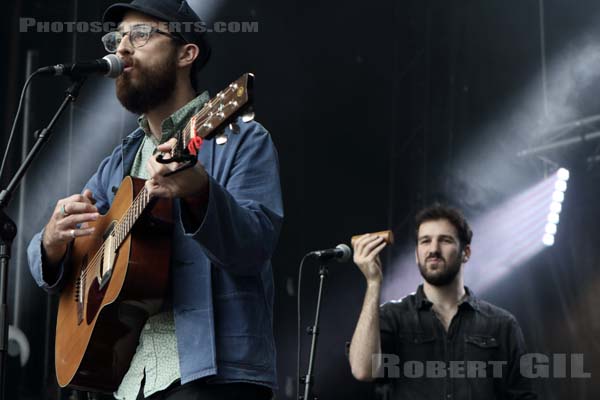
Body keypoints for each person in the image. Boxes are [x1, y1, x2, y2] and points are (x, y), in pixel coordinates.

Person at [27, 0, 283, 399]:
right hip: (130, 379)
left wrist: (200, 191)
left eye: (140, 35)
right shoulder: (120, 162)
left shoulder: (242, 139)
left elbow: (254, 246)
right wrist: (51, 242)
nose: (122, 49)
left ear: (187, 53)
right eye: (117, 38)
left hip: (212, 376)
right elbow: (49, 255)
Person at [349, 204, 536, 399]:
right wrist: (373, 283)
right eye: (425, 241)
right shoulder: (391, 316)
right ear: (416, 254)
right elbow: (363, 370)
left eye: (445, 240)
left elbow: (522, 395)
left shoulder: (502, 324)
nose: (433, 249)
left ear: (466, 253)